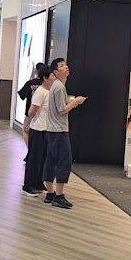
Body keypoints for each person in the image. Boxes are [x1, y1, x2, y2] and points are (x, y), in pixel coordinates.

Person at [41, 57, 86, 209]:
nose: (65, 67)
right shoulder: (59, 87)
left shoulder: (56, 86)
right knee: (63, 161)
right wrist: (76, 102)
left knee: (51, 160)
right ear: (55, 71)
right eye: (61, 66)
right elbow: (61, 110)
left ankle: (50, 193)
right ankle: (58, 196)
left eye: (65, 64)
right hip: (59, 131)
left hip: (52, 130)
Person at [22, 65, 53, 196]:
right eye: (52, 76)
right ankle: (28, 185)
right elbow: (31, 112)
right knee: (34, 158)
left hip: (46, 129)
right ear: (45, 78)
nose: (54, 78)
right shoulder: (40, 92)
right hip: (38, 129)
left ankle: (38, 182)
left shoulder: (49, 92)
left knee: (43, 158)